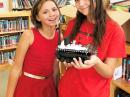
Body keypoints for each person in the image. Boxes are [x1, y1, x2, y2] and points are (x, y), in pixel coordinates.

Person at [58, 0, 126, 97]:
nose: (80, 4)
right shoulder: (72, 24)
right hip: (67, 90)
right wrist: (65, 60)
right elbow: (65, 61)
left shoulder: (115, 31)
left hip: (93, 93)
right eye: (77, 0)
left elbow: (109, 73)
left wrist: (96, 62)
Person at [6, 0, 60, 97]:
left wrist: (57, 91)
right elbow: (16, 69)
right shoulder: (29, 35)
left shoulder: (60, 37)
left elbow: (55, 70)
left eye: (54, 9)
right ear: (37, 17)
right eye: (45, 12)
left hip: (49, 87)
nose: (52, 14)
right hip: (28, 86)